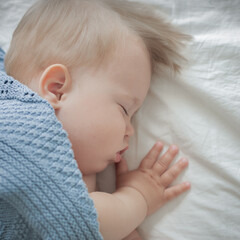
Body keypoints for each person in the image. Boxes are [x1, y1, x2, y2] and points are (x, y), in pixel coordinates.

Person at [0, 0, 191, 239]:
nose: (129, 130)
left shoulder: (70, 168)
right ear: (57, 89)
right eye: (124, 109)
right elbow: (84, 218)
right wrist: (138, 197)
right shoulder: (17, 128)